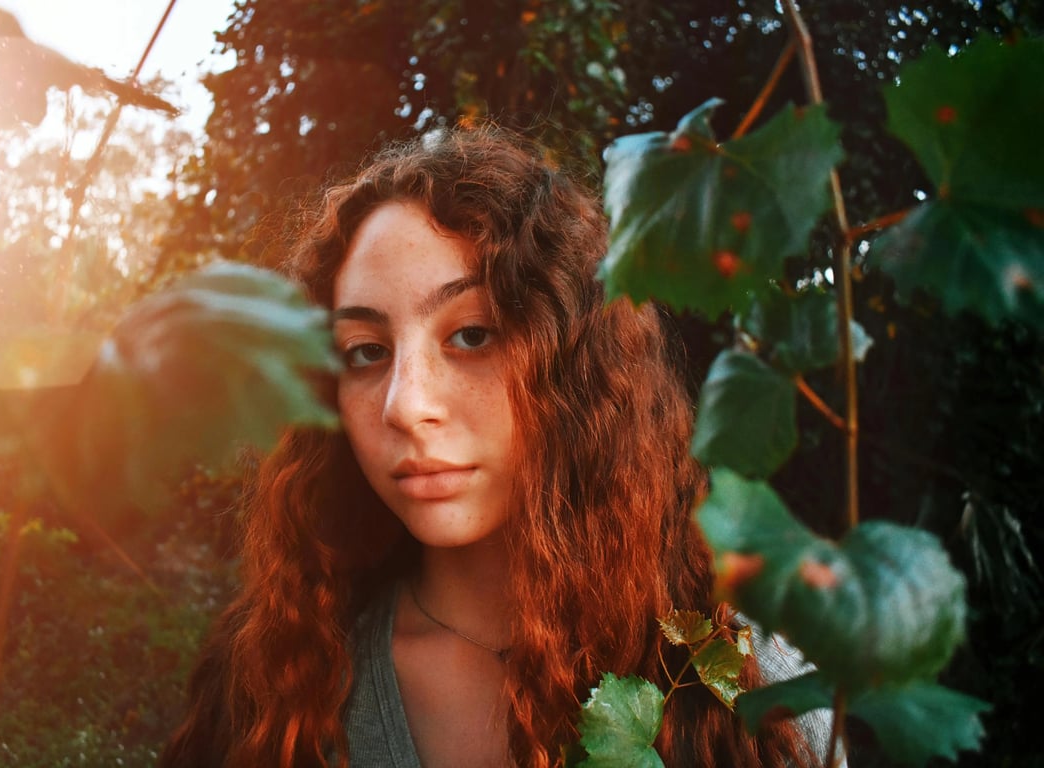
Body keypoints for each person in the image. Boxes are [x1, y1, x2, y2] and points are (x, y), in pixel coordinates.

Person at [159, 126, 829, 767]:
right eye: (365, 352)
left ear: (578, 364)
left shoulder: (747, 685)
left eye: (472, 335)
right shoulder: (275, 680)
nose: (405, 405)